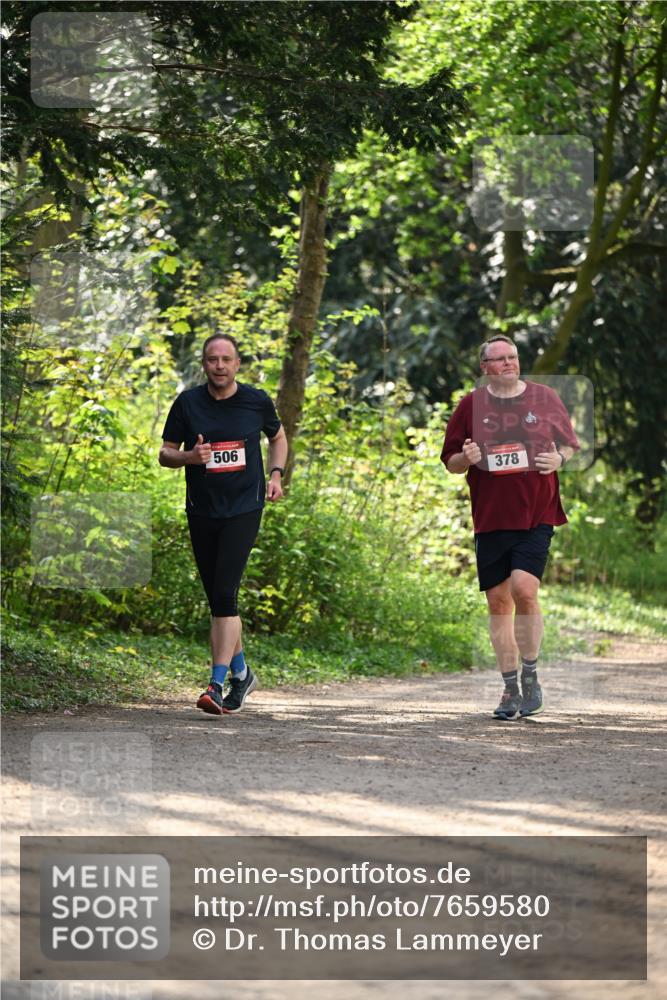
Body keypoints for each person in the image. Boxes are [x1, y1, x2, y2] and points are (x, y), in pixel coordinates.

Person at [440, 335, 579, 720]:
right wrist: (464, 459)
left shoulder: (545, 397)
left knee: (524, 589)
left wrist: (559, 459)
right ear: (485, 367)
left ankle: (531, 675)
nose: (508, 364)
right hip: (492, 517)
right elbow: (450, 459)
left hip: (537, 511)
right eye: (499, 360)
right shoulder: (470, 405)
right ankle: (509, 688)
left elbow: (569, 444)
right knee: (498, 603)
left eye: (513, 357)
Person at [159, 334, 288, 716]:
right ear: (204, 363)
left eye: (226, 359)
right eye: (212, 359)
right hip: (202, 509)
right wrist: (189, 457)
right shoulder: (187, 403)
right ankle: (243, 674)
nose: (219, 365)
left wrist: (277, 475)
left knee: (226, 595)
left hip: (244, 509)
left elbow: (278, 437)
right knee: (217, 597)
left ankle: (216, 685)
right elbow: (165, 454)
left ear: (237, 363)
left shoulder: (256, 401)